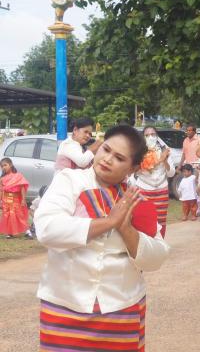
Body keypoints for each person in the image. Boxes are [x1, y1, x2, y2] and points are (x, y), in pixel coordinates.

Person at [34, 125, 169, 351]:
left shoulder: (136, 200)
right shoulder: (69, 181)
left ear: (133, 167)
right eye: (106, 149)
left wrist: (126, 229)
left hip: (121, 307)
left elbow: (157, 257)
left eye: (119, 158)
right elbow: (47, 229)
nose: (107, 159)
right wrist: (109, 222)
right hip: (65, 302)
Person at [135, 126, 175, 237]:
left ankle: (160, 245)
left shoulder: (164, 150)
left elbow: (171, 173)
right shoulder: (139, 152)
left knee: (161, 220)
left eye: (153, 134)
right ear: (143, 137)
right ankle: (147, 246)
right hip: (144, 189)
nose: (150, 137)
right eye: (147, 135)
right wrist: (160, 160)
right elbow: (141, 170)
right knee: (144, 219)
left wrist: (165, 161)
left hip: (161, 189)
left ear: (157, 136)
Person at [0, 158, 29, 238]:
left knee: (19, 215)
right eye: (2, 166)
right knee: (7, 215)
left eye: (5, 165)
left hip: (16, 199)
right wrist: (1, 201)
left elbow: (22, 188)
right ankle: (9, 233)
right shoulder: (2, 179)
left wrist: (23, 199)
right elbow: (1, 190)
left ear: (11, 165)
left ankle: (27, 231)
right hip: (6, 200)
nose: (3, 167)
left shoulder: (18, 176)